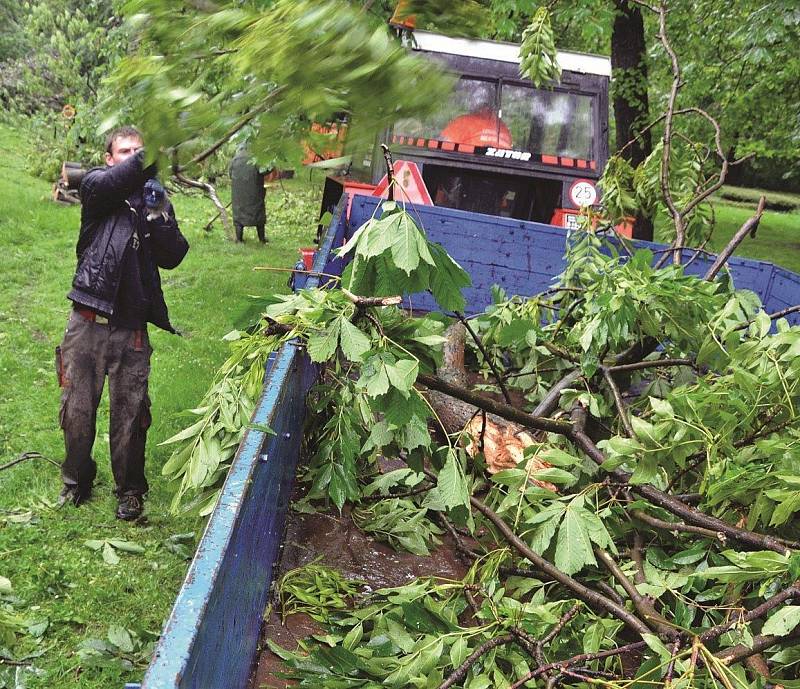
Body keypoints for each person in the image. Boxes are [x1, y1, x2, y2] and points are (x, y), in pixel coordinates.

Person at [56, 125, 189, 520]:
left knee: (131, 417)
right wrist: (154, 153)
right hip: (86, 321)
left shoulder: (151, 198)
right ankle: (76, 480)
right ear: (110, 158)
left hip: (131, 326)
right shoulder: (97, 188)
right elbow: (118, 179)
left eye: (139, 150)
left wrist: (160, 214)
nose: (132, 156)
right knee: (76, 411)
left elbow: (174, 255)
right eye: (125, 151)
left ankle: (130, 490)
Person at [229, 147, 267, 243]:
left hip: (238, 194)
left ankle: (239, 238)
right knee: (258, 215)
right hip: (254, 192)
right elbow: (265, 170)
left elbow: (230, 174)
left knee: (238, 217)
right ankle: (262, 238)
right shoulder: (255, 158)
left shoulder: (235, 159)